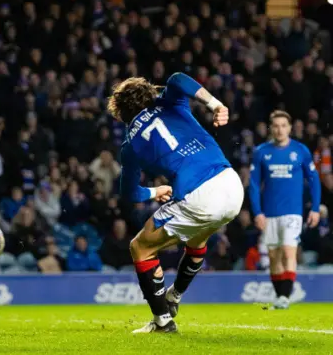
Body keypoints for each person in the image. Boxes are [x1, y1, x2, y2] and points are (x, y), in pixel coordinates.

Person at [108, 72, 243, 333]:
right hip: (232, 185)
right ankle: (174, 296)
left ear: (119, 112)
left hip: (200, 196)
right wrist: (215, 104)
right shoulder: (171, 103)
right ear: (149, 94)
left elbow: (130, 195)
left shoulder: (130, 146)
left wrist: (154, 191)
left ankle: (162, 322)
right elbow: (178, 78)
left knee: (140, 248)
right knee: (197, 238)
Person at [248, 110, 321, 310]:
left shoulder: (301, 151)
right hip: (269, 212)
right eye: (276, 126)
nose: (280, 130)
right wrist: (258, 212)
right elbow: (254, 185)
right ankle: (280, 296)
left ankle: (285, 297)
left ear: (289, 128)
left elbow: (314, 180)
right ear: (271, 129)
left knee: (289, 250)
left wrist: (315, 208)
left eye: (284, 125)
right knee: (274, 256)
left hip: (292, 212)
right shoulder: (261, 152)